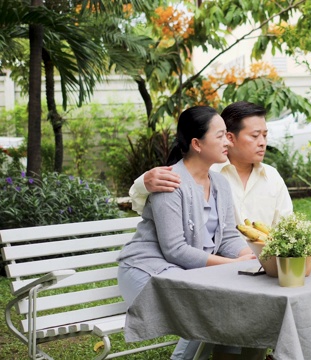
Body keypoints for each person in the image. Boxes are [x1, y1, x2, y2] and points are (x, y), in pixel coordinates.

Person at [117, 106, 260, 360]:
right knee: (205, 306)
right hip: (147, 272)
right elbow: (175, 250)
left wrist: (254, 256)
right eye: (220, 136)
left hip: (189, 274)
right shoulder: (169, 183)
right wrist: (231, 265)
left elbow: (227, 236)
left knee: (242, 303)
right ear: (197, 144)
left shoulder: (220, 184)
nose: (227, 141)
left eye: (228, 134)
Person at [129, 101, 293, 227]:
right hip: (214, 263)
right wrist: (144, 183)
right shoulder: (205, 172)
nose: (263, 142)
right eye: (255, 135)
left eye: (265, 135)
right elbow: (139, 204)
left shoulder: (272, 176)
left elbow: (286, 225)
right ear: (229, 138)